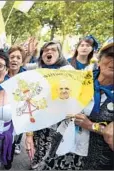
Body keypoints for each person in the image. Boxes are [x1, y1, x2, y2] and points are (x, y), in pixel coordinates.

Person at [34, 37, 114, 170]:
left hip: (91, 161)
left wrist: (91, 126)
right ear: (99, 60)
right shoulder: (76, 79)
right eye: (110, 55)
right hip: (60, 149)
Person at [24, 41, 74, 169]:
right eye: (45, 50)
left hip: (57, 122)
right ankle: (36, 164)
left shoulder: (68, 71)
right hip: (39, 119)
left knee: (52, 152)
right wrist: (29, 53)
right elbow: (22, 66)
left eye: (53, 50)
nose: (49, 52)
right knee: (38, 146)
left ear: (60, 54)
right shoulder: (38, 69)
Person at [6, 45, 27, 155]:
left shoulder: (26, 77)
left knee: (17, 131)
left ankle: (17, 143)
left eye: (18, 58)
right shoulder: (1, 74)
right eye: (12, 56)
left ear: (22, 62)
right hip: (4, 111)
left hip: (19, 111)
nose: (14, 60)